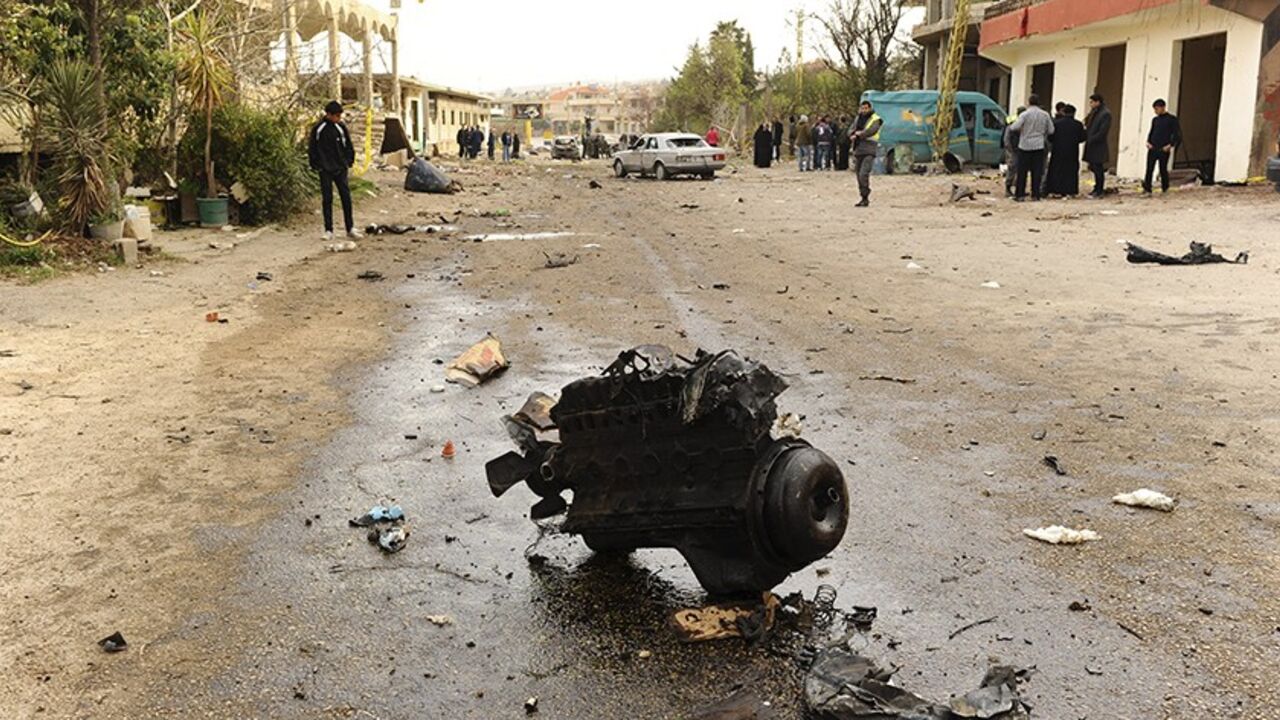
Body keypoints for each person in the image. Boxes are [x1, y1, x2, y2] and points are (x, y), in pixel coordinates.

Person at [308, 100, 357, 241]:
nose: (339, 118)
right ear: (329, 115)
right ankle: (328, 229)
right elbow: (312, 148)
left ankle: (350, 228)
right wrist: (316, 165)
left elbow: (348, 145)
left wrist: (349, 161)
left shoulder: (341, 127)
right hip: (325, 169)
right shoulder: (319, 129)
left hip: (341, 168)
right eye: (337, 116)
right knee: (327, 199)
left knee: (346, 197)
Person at [1008, 94, 1054, 201]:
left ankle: (1020, 195)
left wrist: (1022, 130)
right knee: (1037, 172)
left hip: (1024, 146)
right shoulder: (1045, 115)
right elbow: (1051, 130)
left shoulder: (1024, 114)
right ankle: (1035, 195)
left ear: (1029, 102)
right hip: (1039, 145)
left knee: (1022, 172)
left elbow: (1014, 127)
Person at [1045, 104, 1086, 196]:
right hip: (1072, 150)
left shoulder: (1057, 124)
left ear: (1063, 112)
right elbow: (1083, 137)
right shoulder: (1078, 124)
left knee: (1057, 169)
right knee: (1071, 170)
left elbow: (1050, 137)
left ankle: (1056, 189)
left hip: (1058, 150)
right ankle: (1070, 190)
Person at [1144, 99, 1181, 195]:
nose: (1155, 111)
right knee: (1149, 168)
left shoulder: (1172, 119)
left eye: (1157, 109)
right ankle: (1147, 188)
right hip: (1153, 147)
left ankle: (1165, 187)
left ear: (1163, 107)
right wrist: (1148, 142)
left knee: (1163, 169)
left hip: (1164, 148)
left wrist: (1170, 145)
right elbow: (1152, 132)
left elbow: (1177, 134)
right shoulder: (1155, 120)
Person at [850, 101, 882, 207]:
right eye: (862, 108)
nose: (864, 110)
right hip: (858, 149)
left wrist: (858, 135)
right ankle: (863, 196)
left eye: (866, 108)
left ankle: (865, 195)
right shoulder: (858, 118)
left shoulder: (876, 119)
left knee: (863, 174)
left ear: (870, 108)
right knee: (858, 175)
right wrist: (851, 134)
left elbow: (871, 131)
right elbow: (851, 129)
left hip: (869, 149)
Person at [1083, 93, 1112, 198]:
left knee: (1098, 168)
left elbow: (1102, 131)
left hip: (1098, 145)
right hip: (1092, 144)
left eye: (1092, 102)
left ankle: (1099, 189)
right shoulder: (1094, 112)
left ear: (1097, 102)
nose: (1090, 104)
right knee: (1094, 167)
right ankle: (1096, 188)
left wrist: (1092, 139)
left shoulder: (1105, 114)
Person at [1003, 106, 1025, 197]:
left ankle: (1017, 189)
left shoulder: (1022, 122)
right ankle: (1008, 188)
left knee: (1020, 170)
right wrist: (1010, 150)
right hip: (1014, 150)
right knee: (1012, 169)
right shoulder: (1013, 123)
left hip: (1020, 149)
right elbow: (1007, 139)